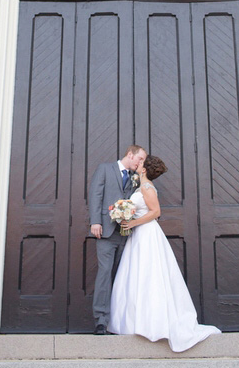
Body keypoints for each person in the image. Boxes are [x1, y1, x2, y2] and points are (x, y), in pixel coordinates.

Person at [108, 155, 221, 352]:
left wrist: (132, 222)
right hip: (139, 235)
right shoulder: (142, 185)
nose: (138, 164)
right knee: (137, 274)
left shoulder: (146, 187)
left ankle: (152, 322)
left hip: (147, 233)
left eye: (141, 163)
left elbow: (156, 211)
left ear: (144, 170)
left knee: (149, 275)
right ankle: (135, 321)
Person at [89, 144, 147, 335]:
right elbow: (95, 195)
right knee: (105, 273)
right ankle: (100, 320)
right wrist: (95, 222)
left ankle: (119, 320)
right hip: (105, 232)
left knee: (122, 276)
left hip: (125, 233)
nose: (141, 163)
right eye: (140, 159)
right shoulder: (105, 169)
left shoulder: (135, 178)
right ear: (130, 155)